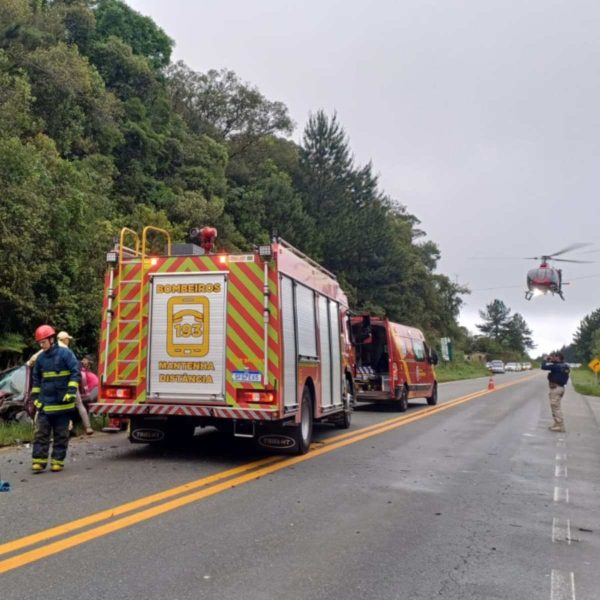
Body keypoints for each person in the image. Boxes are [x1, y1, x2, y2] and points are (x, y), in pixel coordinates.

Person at [30, 325, 80, 472]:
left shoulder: (66, 354)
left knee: (61, 435)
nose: (41, 345)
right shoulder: (40, 359)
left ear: (52, 340)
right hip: (46, 405)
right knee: (41, 434)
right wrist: (36, 398)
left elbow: (75, 372)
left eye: (43, 342)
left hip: (63, 405)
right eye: (39, 343)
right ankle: (39, 461)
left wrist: (71, 391)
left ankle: (57, 461)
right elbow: (36, 380)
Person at [57, 331, 93, 435]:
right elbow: (75, 370)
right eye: (68, 339)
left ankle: (65, 429)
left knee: (62, 407)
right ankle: (88, 427)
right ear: (64, 340)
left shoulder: (52, 351)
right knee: (79, 404)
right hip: (71, 383)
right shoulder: (68, 352)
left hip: (58, 384)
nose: (69, 340)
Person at [541, 352, 570, 432]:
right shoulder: (565, 366)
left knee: (556, 408)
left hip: (556, 388)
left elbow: (543, 367)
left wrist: (545, 360)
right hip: (561, 388)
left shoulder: (556, 366)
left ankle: (560, 426)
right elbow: (557, 365)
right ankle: (557, 424)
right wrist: (552, 360)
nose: (553, 358)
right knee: (555, 406)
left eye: (554, 357)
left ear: (558, 358)